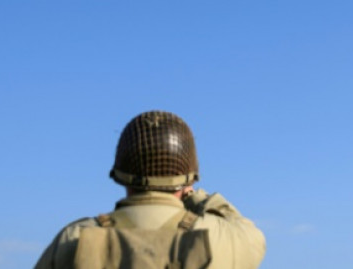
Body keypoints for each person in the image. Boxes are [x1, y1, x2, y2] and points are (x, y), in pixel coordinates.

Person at [34, 110, 265, 269]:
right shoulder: (222, 237)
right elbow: (252, 235)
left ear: (120, 174)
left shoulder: (74, 237)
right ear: (188, 178)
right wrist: (195, 197)